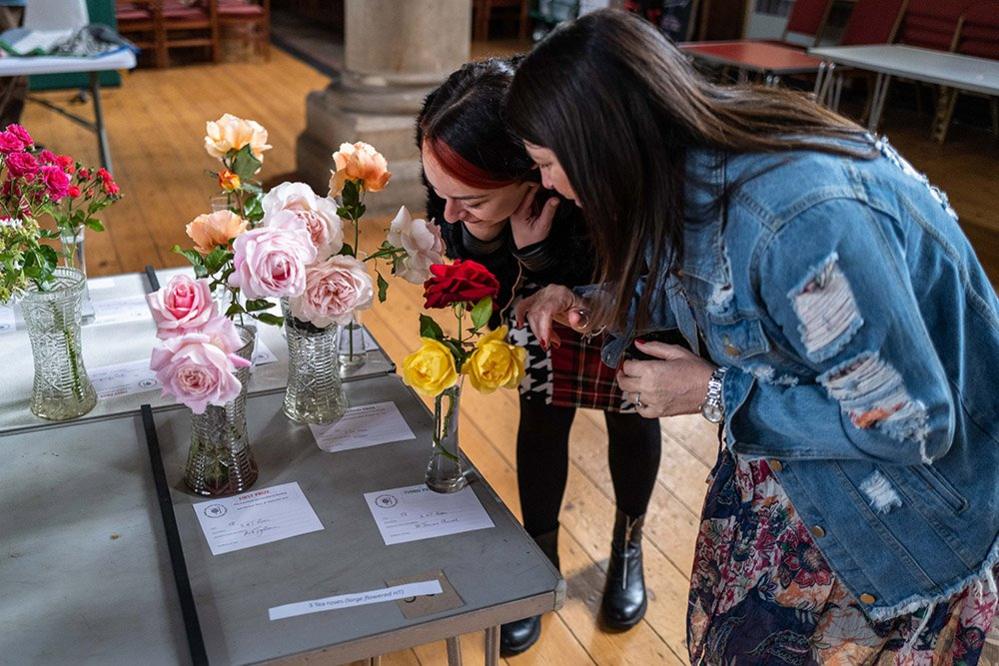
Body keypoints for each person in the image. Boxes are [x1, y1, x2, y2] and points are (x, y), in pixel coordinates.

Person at [506, 10, 999, 665]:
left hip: (889, 522)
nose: (547, 185)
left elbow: (907, 422)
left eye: (547, 163)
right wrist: (602, 304)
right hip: (801, 479)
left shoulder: (798, 221)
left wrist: (711, 390)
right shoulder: (705, 160)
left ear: (602, 144)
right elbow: (726, 288)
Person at [416, 57, 668, 655]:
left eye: (470, 199)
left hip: (629, 306)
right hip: (544, 312)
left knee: (633, 416)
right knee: (542, 419)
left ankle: (628, 548)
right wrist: (485, 237)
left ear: (534, 170)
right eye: (440, 193)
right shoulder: (468, 193)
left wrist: (549, 267)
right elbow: (498, 297)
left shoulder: (598, 173)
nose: (448, 211)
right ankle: (539, 560)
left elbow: (648, 284)